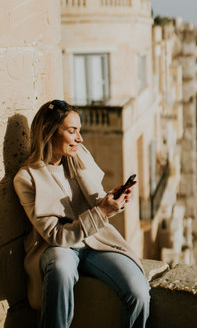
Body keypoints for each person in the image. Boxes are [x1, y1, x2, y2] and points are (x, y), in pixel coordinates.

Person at [14, 99, 150, 328]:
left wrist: (112, 201)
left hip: (96, 241)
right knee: (60, 268)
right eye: (72, 131)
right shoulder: (26, 179)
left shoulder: (79, 155)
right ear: (49, 131)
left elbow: (97, 202)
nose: (80, 138)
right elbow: (55, 236)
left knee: (139, 292)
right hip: (58, 247)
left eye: (80, 131)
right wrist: (102, 211)